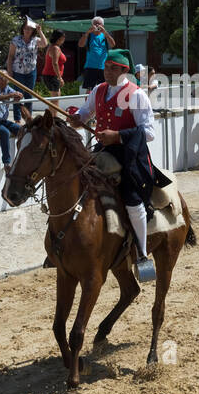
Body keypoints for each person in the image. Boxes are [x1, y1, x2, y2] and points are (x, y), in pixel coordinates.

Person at [68, 48, 164, 282]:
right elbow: (85, 113)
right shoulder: (99, 91)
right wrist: (76, 119)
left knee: (132, 200)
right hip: (103, 151)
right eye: (106, 67)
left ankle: (141, 254)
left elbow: (149, 132)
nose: (107, 71)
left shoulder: (137, 94)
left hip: (130, 155)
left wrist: (118, 136)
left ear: (124, 71)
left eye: (112, 68)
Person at [7, 19, 47, 119]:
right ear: (22, 29)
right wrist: (9, 71)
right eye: (25, 28)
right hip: (17, 71)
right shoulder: (16, 40)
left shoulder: (35, 40)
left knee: (29, 96)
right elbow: (10, 56)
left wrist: (40, 31)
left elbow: (45, 43)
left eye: (29, 29)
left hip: (31, 71)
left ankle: (28, 118)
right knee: (18, 95)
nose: (27, 30)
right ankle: (17, 118)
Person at [78, 16, 112, 91]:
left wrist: (105, 32)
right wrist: (87, 32)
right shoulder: (89, 35)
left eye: (99, 24)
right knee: (89, 90)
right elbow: (80, 44)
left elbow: (113, 44)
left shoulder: (105, 36)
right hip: (90, 66)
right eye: (95, 24)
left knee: (104, 89)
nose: (97, 26)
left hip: (103, 67)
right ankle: (88, 103)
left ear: (102, 25)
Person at [41, 30, 67, 96]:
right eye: (63, 39)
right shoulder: (55, 48)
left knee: (56, 96)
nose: (63, 41)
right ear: (59, 39)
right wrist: (59, 78)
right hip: (52, 75)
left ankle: (51, 107)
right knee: (56, 97)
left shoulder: (51, 46)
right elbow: (55, 63)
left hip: (50, 75)